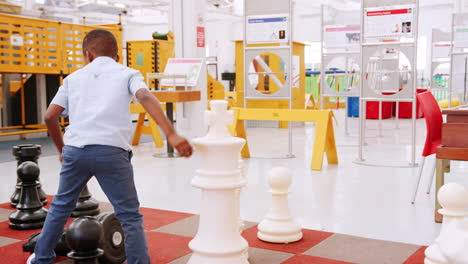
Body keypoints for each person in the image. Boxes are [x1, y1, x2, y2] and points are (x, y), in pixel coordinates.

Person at [28, 29, 193, 264]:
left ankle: (41, 258)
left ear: (88, 54)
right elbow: (145, 96)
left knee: (60, 207)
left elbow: (49, 117)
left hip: (76, 151)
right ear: (117, 57)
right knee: (129, 216)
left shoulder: (73, 79)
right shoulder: (127, 73)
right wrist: (171, 134)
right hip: (112, 152)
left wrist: (62, 149)